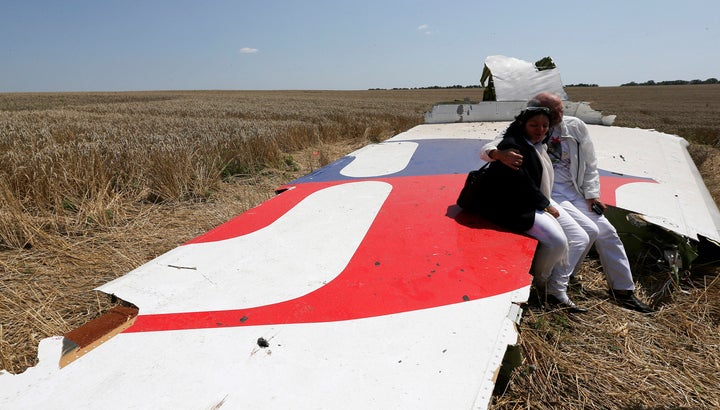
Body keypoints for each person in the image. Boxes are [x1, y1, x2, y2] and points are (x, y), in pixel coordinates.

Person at [480, 92, 653, 314]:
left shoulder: (575, 127)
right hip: (549, 192)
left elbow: (590, 162)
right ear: (538, 111)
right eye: (554, 111)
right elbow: (495, 145)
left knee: (608, 232)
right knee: (584, 233)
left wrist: (592, 194)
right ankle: (555, 284)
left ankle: (622, 290)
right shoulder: (528, 126)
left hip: (575, 191)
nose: (559, 115)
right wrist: (496, 154)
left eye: (561, 110)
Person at [475, 106, 587, 312]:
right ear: (522, 125)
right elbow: (522, 182)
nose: (540, 129)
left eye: (544, 125)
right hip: (515, 207)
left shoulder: (538, 144)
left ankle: (558, 284)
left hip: (536, 201)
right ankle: (540, 283)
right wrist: (546, 205)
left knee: (580, 236)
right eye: (534, 125)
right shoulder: (513, 146)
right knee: (557, 241)